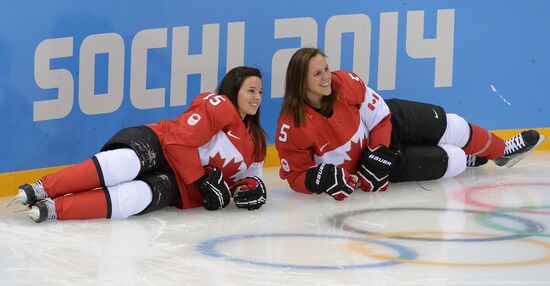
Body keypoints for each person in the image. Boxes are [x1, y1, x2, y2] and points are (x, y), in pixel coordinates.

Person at [275, 47, 545, 200]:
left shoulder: (344, 82)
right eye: (317, 73)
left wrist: (379, 151)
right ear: (301, 81)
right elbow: (295, 176)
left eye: (326, 67)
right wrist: (317, 180)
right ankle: (469, 156)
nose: (326, 77)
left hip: (388, 125)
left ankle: (501, 152)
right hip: (367, 167)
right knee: (455, 161)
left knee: (456, 126)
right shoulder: (291, 126)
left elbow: (381, 117)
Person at [8, 66, 268, 222]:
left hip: (181, 183)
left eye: (260, 92)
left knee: (134, 198)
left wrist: (250, 190)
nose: (257, 97)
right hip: (159, 143)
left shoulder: (256, 141)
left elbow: (248, 178)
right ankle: (41, 188)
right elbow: (177, 142)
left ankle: (54, 209)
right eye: (251, 90)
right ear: (233, 90)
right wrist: (201, 179)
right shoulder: (218, 106)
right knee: (123, 164)